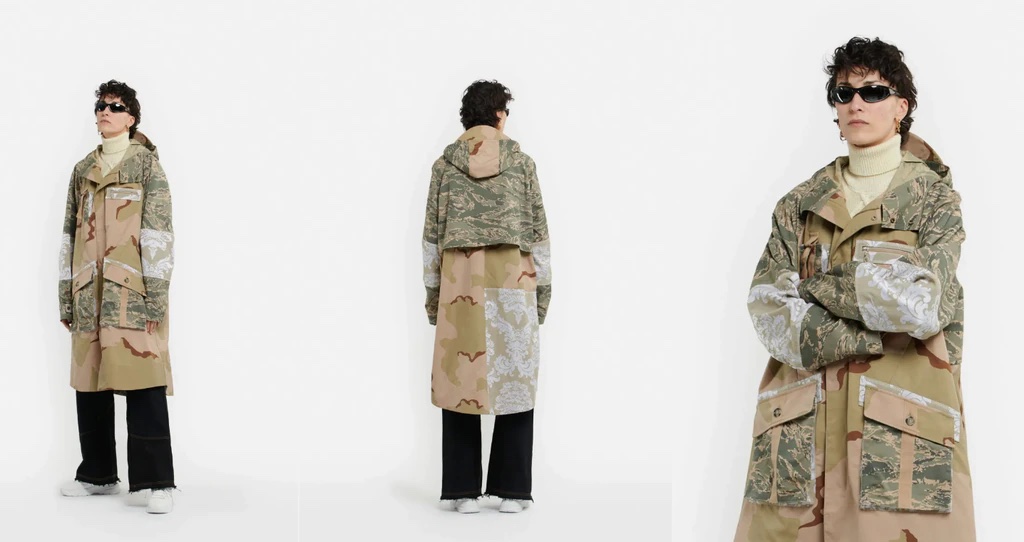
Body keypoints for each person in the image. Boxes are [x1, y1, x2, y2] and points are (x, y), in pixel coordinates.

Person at [733, 37, 975, 541]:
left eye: (873, 91)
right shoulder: (800, 204)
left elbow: (922, 304)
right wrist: (874, 324)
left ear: (901, 107)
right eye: (844, 93)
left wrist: (817, 289)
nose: (856, 103)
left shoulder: (934, 200)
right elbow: (771, 316)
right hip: (799, 442)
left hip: (897, 445)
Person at [421, 80, 551, 514]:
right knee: (516, 379)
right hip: (514, 280)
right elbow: (539, 235)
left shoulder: (444, 167)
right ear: (499, 115)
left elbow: (431, 239)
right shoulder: (523, 165)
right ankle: (512, 491)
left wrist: (434, 298)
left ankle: (462, 492)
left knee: (461, 379)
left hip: (460, 284)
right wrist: (543, 296)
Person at [57, 80, 176, 514]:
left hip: (133, 293)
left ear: (131, 118)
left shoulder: (146, 166)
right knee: (90, 384)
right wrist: (66, 296)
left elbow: (159, 233)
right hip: (88, 293)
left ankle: (156, 483)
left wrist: (156, 298)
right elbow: (69, 237)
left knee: (144, 381)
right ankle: (97, 475)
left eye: (115, 106)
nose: (105, 111)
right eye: (101, 105)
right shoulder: (82, 170)